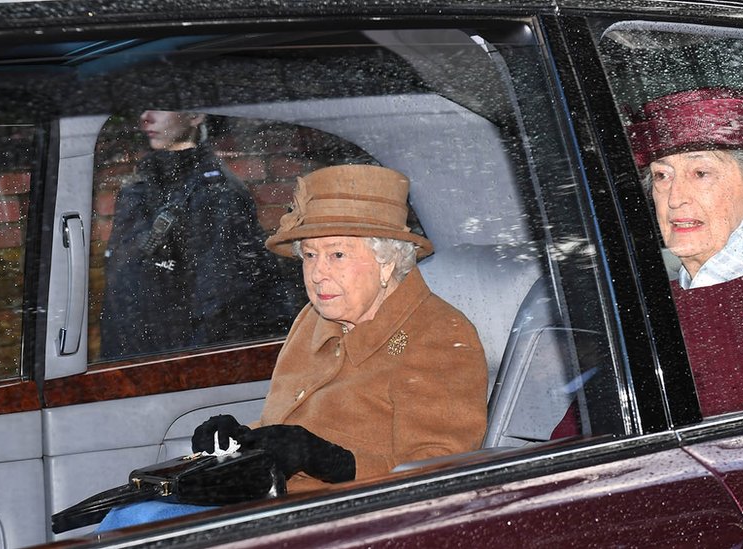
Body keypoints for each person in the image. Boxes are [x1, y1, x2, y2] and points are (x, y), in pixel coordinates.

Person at [97, 164, 487, 528]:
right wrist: (238, 439)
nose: (318, 274)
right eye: (310, 256)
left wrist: (332, 461)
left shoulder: (439, 335)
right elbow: (284, 431)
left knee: (139, 525)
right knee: (125, 515)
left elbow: (439, 476)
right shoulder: (313, 320)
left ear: (388, 261)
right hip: (275, 502)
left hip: (345, 522)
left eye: (337, 255)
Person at [554, 87, 743, 431]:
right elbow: (582, 430)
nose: (674, 199)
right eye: (662, 176)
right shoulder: (649, 303)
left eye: (701, 173)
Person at [99, 110, 299, 359]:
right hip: (133, 366)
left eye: (160, 105)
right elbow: (122, 294)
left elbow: (220, 305)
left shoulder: (216, 194)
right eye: (143, 106)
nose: (145, 117)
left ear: (195, 115)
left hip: (177, 371)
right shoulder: (139, 188)